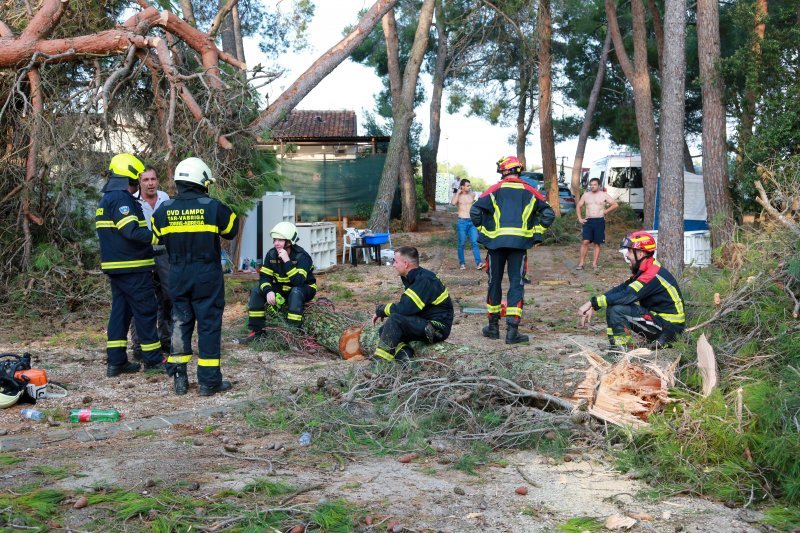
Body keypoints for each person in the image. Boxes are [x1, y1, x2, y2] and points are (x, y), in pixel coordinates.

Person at [151, 157, 239, 396]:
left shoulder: (163, 210)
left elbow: (156, 238)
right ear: (202, 180)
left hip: (177, 274)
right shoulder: (213, 207)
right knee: (209, 326)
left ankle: (179, 378)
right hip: (206, 275)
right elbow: (231, 229)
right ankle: (208, 382)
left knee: (180, 322)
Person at [470, 156, 555, 344]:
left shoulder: (494, 189)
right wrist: (535, 232)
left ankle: (493, 328)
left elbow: (475, 211)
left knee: (494, 282)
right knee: (517, 284)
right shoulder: (531, 190)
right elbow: (549, 213)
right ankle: (512, 332)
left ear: (504, 171)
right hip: (519, 246)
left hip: (495, 245)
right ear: (519, 171)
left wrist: (484, 231)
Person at [96, 153, 164, 377]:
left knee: (121, 312)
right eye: (136, 180)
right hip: (132, 267)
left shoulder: (107, 199)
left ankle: (116, 361)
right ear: (130, 178)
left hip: (118, 268)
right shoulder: (121, 200)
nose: (138, 185)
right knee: (146, 310)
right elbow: (131, 231)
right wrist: (159, 235)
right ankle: (153, 359)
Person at [578, 231, 685, 349]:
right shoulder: (646, 269)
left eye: (629, 251)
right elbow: (623, 288)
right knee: (613, 306)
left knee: (617, 309)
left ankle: (622, 352)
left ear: (640, 254)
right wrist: (593, 303)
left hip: (669, 329)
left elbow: (627, 295)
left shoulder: (651, 275)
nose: (627, 255)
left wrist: (593, 303)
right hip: (661, 323)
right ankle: (619, 348)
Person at [372, 246, 454, 364]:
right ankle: (406, 360)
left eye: (395, 261)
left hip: (436, 328)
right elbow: (409, 308)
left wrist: (381, 310)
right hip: (424, 322)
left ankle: (379, 364)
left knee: (395, 319)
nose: (393, 264)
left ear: (405, 264)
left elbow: (405, 308)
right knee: (384, 330)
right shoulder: (414, 277)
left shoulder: (424, 280)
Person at [241, 221, 317, 342]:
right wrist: (268, 291)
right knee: (256, 291)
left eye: (280, 240)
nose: (276, 243)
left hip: (304, 288)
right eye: (275, 239)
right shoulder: (271, 254)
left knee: (296, 292)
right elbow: (264, 277)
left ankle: (293, 334)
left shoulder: (302, 257)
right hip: (283, 288)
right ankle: (257, 332)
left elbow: (298, 282)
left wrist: (287, 261)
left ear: (289, 241)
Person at [130, 166, 172, 358]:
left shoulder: (165, 198)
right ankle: (139, 344)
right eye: (146, 180)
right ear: (140, 182)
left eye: (153, 179)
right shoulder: (132, 200)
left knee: (168, 296)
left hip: (164, 253)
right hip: (142, 254)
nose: (150, 183)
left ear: (158, 180)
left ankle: (167, 339)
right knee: (142, 299)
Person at [576, 177, 618, 272]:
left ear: (599, 185)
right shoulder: (586, 195)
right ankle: (581, 263)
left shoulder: (604, 195)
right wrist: (580, 218)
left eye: (594, 185)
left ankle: (594, 264)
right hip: (588, 221)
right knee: (585, 242)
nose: (592, 186)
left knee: (597, 243)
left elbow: (615, 204)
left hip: (599, 221)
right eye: (591, 185)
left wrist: (606, 211)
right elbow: (578, 206)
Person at [450, 178, 484, 270]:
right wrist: (458, 192)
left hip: (472, 222)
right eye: (467, 185)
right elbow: (453, 203)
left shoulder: (472, 194)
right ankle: (462, 263)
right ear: (462, 186)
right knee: (461, 243)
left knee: (475, 242)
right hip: (462, 222)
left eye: (470, 185)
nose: (469, 187)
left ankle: (479, 263)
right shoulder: (458, 195)